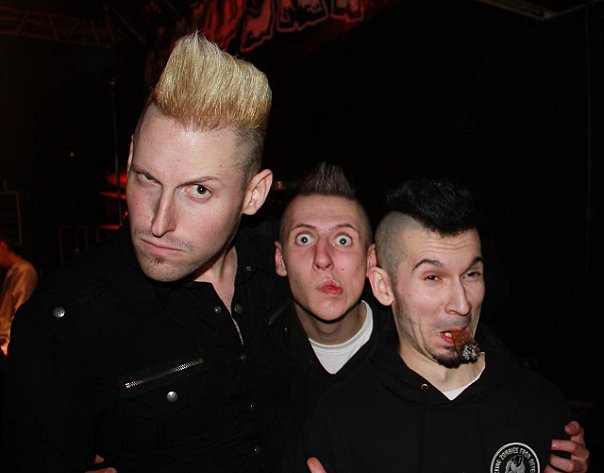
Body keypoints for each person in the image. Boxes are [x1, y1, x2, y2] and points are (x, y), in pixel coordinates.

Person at [1, 31, 291, 473]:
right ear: (132, 155)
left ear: (254, 194)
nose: (159, 222)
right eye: (147, 178)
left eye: (198, 190)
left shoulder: (284, 266)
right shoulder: (64, 322)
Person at [293, 176, 590, 473]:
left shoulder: (538, 404)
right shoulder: (339, 419)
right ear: (384, 287)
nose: (462, 305)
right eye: (433, 277)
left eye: (471, 274)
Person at [0, 233, 38, 358]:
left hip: (11, 342)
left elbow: (20, 312)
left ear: (3, 246)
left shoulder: (24, 271)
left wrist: (8, 344)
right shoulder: (10, 271)